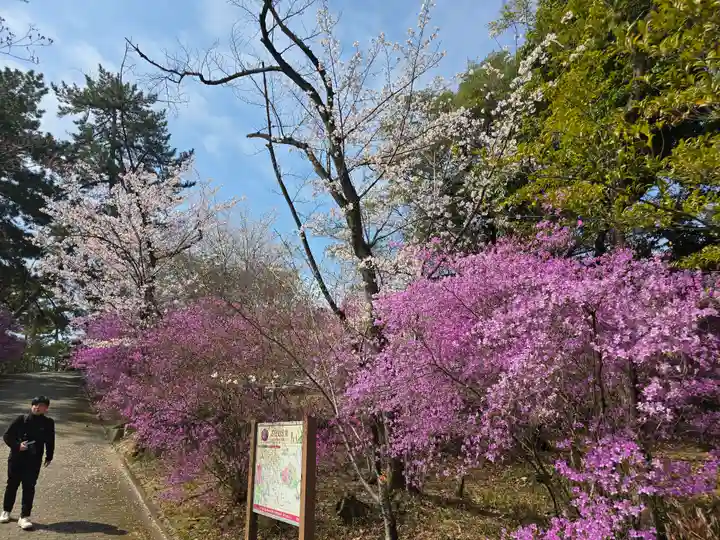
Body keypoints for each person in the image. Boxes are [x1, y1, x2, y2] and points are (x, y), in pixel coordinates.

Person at [0, 396, 55, 530]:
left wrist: (49, 456)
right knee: (12, 484)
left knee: (29, 487)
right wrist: (18, 446)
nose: (37, 407)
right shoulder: (21, 419)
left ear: (46, 408)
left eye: (40, 405)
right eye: (35, 404)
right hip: (17, 458)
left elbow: (50, 440)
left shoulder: (48, 423)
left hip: (34, 460)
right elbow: (7, 436)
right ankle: (6, 511)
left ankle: (24, 517)